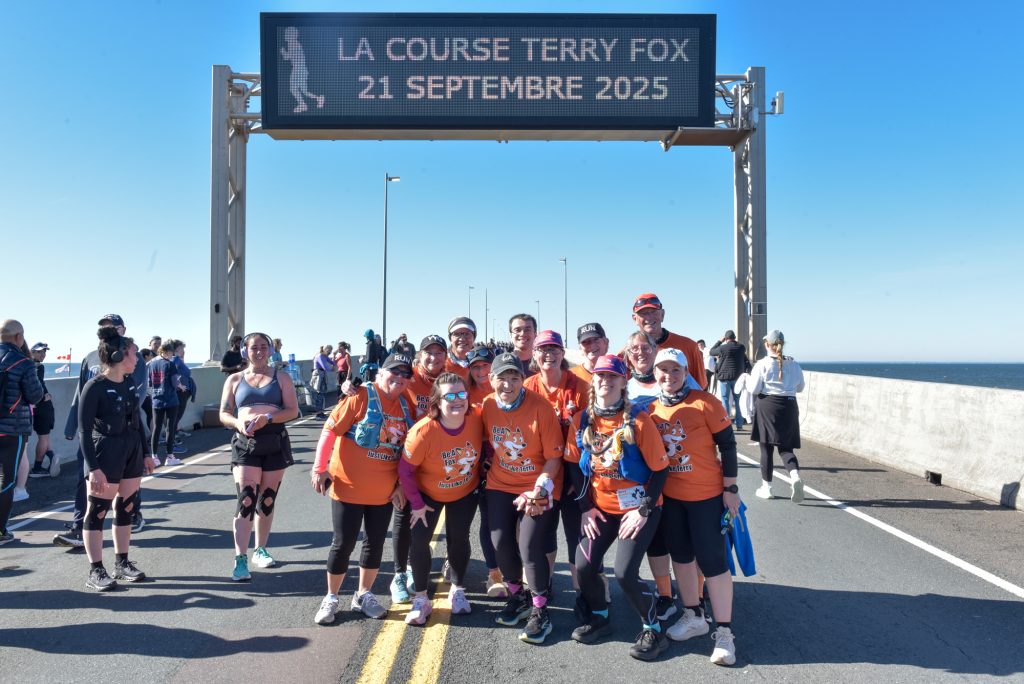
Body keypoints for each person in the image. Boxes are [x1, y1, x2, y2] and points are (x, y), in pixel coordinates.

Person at [565, 354, 670, 661]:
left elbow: (660, 469)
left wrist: (643, 509)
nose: (606, 381)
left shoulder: (638, 420)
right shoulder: (582, 420)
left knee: (624, 573)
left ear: (624, 382)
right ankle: (600, 616)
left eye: (613, 376)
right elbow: (573, 466)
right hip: (602, 507)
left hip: (639, 509)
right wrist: (585, 508)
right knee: (584, 566)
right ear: (593, 380)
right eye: (600, 375)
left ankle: (653, 629)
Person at [647, 348, 740, 666]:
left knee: (713, 563)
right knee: (682, 558)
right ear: (655, 373)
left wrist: (731, 489)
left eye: (676, 370)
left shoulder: (706, 402)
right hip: (671, 498)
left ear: (686, 372)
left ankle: (725, 633)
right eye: (663, 369)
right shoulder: (651, 408)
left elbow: (728, 445)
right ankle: (694, 615)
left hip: (707, 497)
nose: (669, 376)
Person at [310, 352, 415, 625]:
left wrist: (401, 484)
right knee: (343, 543)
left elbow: (409, 452)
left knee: (374, 543)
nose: (400, 378)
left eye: (406, 375)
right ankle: (331, 597)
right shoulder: (361, 396)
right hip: (348, 487)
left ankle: (363, 595)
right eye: (394, 372)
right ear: (381, 373)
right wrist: (319, 468)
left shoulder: (406, 406)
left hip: (383, 492)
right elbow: (330, 430)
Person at [480, 353, 564, 645]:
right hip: (501, 483)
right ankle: (518, 597)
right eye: (502, 378)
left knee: (529, 545)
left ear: (523, 380)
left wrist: (539, 488)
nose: (508, 384)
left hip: (538, 484)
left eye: (514, 378)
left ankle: (541, 610)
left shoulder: (541, 407)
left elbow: (554, 457)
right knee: (500, 541)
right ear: (491, 380)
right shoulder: (487, 405)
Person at [57, 313, 149, 547]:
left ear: (123, 329)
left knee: (126, 486)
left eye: (113, 326)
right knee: (87, 480)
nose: (109, 330)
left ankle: (132, 515)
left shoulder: (133, 357)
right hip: (96, 435)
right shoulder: (90, 358)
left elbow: (136, 396)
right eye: (105, 327)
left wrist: (142, 445)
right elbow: (81, 393)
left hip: (126, 433)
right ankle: (79, 527)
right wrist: (72, 425)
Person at [399, 373, 483, 624]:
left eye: (461, 394)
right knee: (419, 540)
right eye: (450, 396)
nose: (457, 400)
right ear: (436, 401)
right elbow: (405, 470)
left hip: (464, 491)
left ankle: (457, 589)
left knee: (459, 539)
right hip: (427, 494)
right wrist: (416, 504)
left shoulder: (477, 418)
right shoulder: (423, 431)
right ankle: (421, 599)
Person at [77, 328, 155, 588]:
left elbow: (137, 421)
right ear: (119, 355)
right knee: (97, 510)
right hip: (105, 451)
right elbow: (84, 431)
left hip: (131, 449)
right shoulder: (94, 387)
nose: (137, 359)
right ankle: (96, 570)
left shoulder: (130, 383)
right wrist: (93, 468)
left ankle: (122, 563)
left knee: (126, 507)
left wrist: (146, 453)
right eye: (133, 354)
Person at [219, 332, 300, 580]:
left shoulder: (281, 378)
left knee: (267, 500)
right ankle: (240, 558)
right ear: (245, 351)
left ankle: (260, 549)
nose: (259, 351)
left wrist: (268, 418)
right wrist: (238, 423)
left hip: (274, 440)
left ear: (270, 351)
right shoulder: (234, 379)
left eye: (264, 347)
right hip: (245, 443)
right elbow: (224, 413)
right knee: (246, 500)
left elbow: (293, 411)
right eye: (254, 347)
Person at [387, 334, 449, 605]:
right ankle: (399, 574)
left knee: (422, 521)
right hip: (407, 458)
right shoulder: (408, 378)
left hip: (439, 462)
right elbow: (383, 389)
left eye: (439, 352)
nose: (433, 357)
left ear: (445, 356)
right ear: (419, 356)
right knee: (403, 516)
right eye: (428, 352)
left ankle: (416, 567)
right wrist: (351, 388)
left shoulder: (450, 379)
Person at [523, 331, 586, 594]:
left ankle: (583, 593)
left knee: (576, 534)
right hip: (542, 472)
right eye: (543, 349)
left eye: (554, 349)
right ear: (534, 354)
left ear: (562, 353)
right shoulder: (527, 386)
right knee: (545, 532)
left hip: (573, 471)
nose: (549, 354)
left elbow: (591, 433)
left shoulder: (580, 387)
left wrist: (580, 477)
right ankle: (544, 585)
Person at [465, 343, 507, 597]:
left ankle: (514, 569)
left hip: (508, 458)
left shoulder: (505, 385)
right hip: (475, 461)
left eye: (485, 366)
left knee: (511, 521)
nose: (480, 371)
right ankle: (494, 573)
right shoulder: (463, 391)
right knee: (488, 518)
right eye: (475, 367)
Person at [0, 320, 45, 545]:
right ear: (19, 337)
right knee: (7, 480)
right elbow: (35, 395)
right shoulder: (23, 362)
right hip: (12, 430)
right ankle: (1, 531)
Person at [749, 330, 806, 502]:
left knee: (766, 448)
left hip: (768, 406)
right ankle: (795, 477)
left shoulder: (762, 364)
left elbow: (754, 389)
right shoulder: (794, 364)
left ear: (767, 344)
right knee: (786, 448)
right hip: (789, 406)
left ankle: (767, 488)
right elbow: (800, 388)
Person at [630, 293, 706, 389]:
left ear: (662, 314)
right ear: (635, 319)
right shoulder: (629, 353)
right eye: (643, 313)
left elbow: (701, 388)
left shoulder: (689, 346)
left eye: (653, 312)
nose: (649, 317)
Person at [148, 341, 183, 465]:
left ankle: (154, 457)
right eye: (171, 352)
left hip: (156, 400)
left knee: (156, 428)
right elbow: (174, 382)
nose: (172, 355)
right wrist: (181, 386)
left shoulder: (151, 364)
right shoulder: (170, 364)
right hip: (170, 400)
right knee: (170, 428)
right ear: (167, 352)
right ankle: (170, 456)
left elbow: (150, 383)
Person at [28, 342, 60, 479]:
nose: (43, 355)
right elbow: (37, 386)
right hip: (43, 407)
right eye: (39, 352)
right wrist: (42, 398)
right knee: (44, 438)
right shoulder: (38, 367)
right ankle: (45, 461)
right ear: (32, 352)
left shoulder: (30, 366)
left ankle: (47, 460)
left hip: (38, 407)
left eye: (44, 352)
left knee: (43, 438)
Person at [710, 330, 752, 431]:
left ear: (726, 338)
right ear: (734, 337)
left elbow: (711, 351)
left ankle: (727, 425)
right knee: (738, 401)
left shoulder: (722, 348)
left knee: (725, 400)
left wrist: (719, 341)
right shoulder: (741, 347)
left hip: (724, 377)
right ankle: (739, 425)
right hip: (737, 378)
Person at [170, 339, 196, 454]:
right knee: (175, 418)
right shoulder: (175, 359)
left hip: (181, 392)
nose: (183, 351)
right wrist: (179, 386)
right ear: (176, 349)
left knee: (175, 418)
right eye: (181, 348)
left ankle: (172, 442)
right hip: (180, 392)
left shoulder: (178, 359)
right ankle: (172, 444)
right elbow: (172, 372)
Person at [445, 317, 477, 381]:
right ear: (450, 338)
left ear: (474, 337)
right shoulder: (441, 364)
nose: (462, 339)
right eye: (457, 334)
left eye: (467, 334)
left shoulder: (483, 364)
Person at [509, 314, 538, 379]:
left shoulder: (543, 364)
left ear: (535, 334)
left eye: (527, 330)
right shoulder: (501, 365)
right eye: (517, 330)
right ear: (511, 335)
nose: (522, 334)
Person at [311, 345, 336, 419]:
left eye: (330, 351)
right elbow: (325, 367)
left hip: (322, 375)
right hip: (318, 375)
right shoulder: (320, 356)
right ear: (325, 349)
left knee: (322, 394)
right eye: (329, 351)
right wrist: (332, 369)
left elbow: (332, 362)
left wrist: (334, 359)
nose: (329, 353)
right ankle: (318, 414)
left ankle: (320, 412)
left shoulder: (324, 356)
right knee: (319, 394)